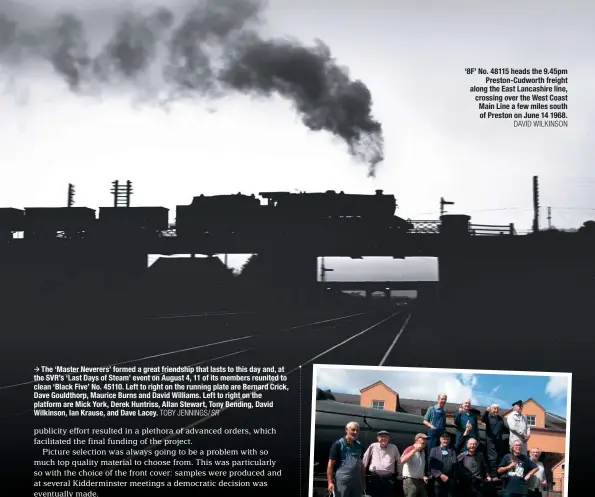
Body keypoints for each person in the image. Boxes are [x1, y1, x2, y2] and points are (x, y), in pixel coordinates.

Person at [327, 421, 366, 497]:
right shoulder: (338, 444)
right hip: (342, 481)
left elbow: (361, 464)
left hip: (357, 481)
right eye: (353, 430)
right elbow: (330, 465)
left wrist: (363, 481)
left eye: (357, 430)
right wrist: (330, 482)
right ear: (346, 430)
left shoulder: (360, 445)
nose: (355, 432)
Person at [363, 430, 402, 497]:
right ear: (378, 438)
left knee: (388, 495)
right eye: (381, 437)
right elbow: (365, 458)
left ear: (388, 438)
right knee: (374, 495)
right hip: (375, 477)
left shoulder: (394, 447)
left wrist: (400, 473)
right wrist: (362, 472)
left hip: (388, 478)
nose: (383, 438)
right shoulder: (373, 446)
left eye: (385, 437)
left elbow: (399, 461)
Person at [428, 432, 457, 497]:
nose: (446, 441)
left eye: (447, 439)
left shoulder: (452, 451)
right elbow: (431, 465)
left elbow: (454, 464)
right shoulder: (434, 450)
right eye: (444, 439)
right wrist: (440, 475)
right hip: (438, 480)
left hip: (450, 480)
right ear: (440, 439)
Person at [481, 404, 506, 478]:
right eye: (494, 409)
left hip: (499, 440)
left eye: (497, 409)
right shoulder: (488, 417)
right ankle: (493, 475)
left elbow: (503, 428)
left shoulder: (500, 418)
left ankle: (498, 474)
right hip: (491, 440)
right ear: (491, 410)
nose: (496, 410)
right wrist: (486, 411)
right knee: (493, 457)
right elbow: (483, 419)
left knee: (499, 457)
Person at [424, 394, 448, 458]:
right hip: (433, 434)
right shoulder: (431, 409)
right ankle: (429, 467)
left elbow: (444, 423)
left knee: (440, 452)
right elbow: (425, 421)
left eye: (445, 399)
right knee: (431, 452)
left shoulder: (443, 412)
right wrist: (432, 426)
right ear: (438, 400)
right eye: (442, 399)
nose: (443, 400)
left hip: (441, 435)